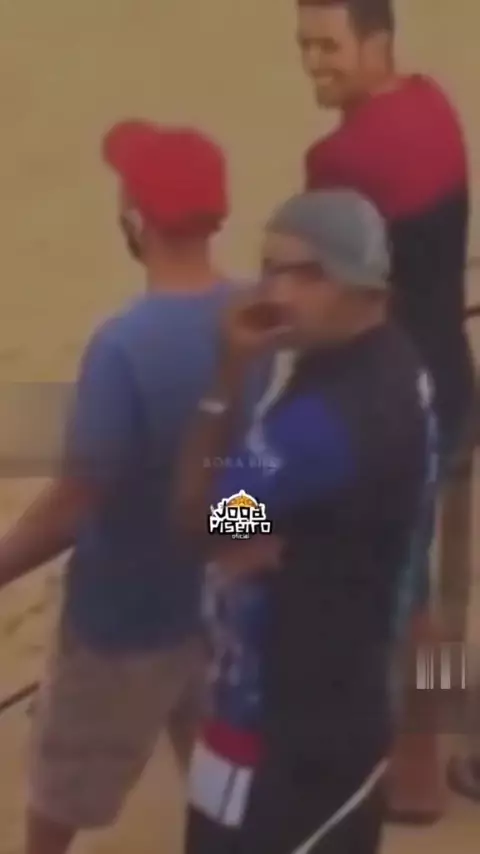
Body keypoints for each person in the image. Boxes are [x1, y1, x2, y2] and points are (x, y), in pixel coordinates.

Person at [0, 120, 259, 854]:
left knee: (61, 792)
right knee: (217, 779)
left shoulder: (123, 346)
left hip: (121, 617)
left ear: (137, 219)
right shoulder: (254, 312)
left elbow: (76, 499)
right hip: (215, 600)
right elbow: (251, 462)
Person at [174, 189, 437, 854]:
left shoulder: (318, 427)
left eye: (307, 274)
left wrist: (226, 376)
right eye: (270, 268)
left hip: (283, 736)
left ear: (363, 285)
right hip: (323, 705)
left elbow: (199, 521)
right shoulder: (395, 361)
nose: (277, 293)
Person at [295, 0, 475, 821]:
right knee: (438, 595)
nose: (312, 62)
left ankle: (414, 772)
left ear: (377, 41)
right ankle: (426, 750)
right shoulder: (435, 105)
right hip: (454, 380)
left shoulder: (337, 159)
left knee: (399, 595)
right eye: (304, 46)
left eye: (327, 45)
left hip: (390, 410)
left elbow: (324, 302)